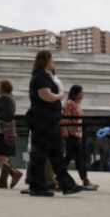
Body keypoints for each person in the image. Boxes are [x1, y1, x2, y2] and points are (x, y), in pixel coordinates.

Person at [26, 50, 83, 197]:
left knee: (55, 153)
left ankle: (67, 185)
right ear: (46, 60)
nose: (54, 62)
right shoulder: (40, 77)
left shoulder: (45, 76)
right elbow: (45, 95)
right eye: (52, 60)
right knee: (40, 154)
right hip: (43, 121)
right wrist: (60, 95)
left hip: (49, 120)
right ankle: (37, 187)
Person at [61, 84, 97, 190]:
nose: (83, 95)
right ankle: (84, 180)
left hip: (76, 135)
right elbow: (65, 119)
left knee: (75, 159)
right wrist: (66, 132)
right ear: (76, 93)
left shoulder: (76, 104)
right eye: (81, 92)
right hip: (72, 135)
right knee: (75, 158)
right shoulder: (70, 104)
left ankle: (84, 180)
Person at [0, 79, 23, 189]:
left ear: (3, 88)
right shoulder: (10, 98)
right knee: (4, 154)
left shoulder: (4, 98)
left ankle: (14, 173)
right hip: (8, 129)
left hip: (2, 130)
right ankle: (2, 181)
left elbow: (1, 112)